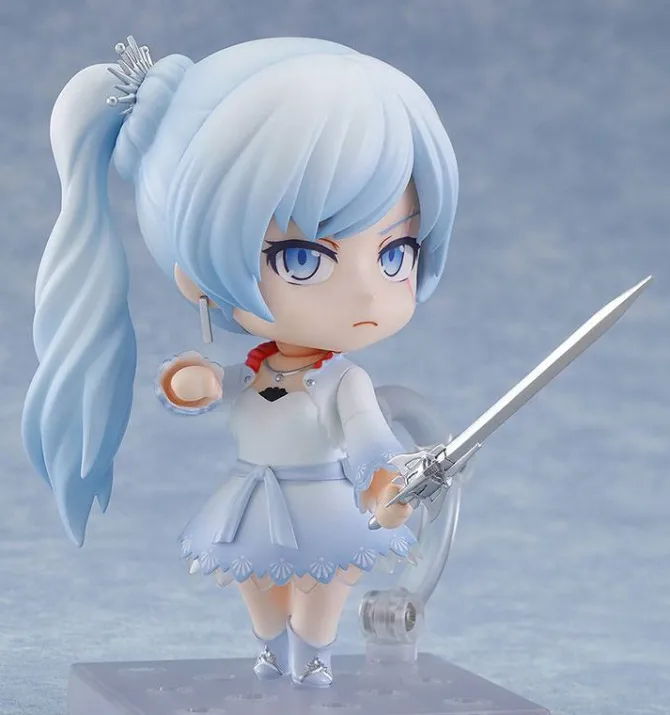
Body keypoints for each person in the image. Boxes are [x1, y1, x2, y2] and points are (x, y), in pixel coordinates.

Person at [22, 35, 458, 687]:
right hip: (254, 501)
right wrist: (191, 382)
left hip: (323, 504)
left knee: (319, 591)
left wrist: (383, 482)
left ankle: (312, 658)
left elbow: (369, 435)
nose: (369, 294)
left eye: (395, 253)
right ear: (198, 278)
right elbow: (215, 388)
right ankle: (272, 651)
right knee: (260, 588)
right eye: (303, 259)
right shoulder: (255, 370)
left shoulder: (344, 379)